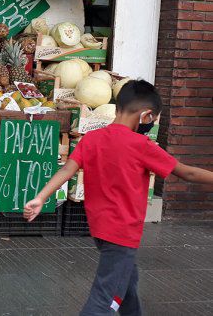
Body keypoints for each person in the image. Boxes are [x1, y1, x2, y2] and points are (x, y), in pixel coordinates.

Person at [24, 79, 213, 315]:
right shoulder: (142, 145)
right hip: (123, 233)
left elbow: (66, 170)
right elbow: (188, 172)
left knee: (127, 284)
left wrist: (41, 197)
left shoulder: (91, 138)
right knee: (105, 300)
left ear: (117, 106)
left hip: (100, 229)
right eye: (152, 120)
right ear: (147, 115)